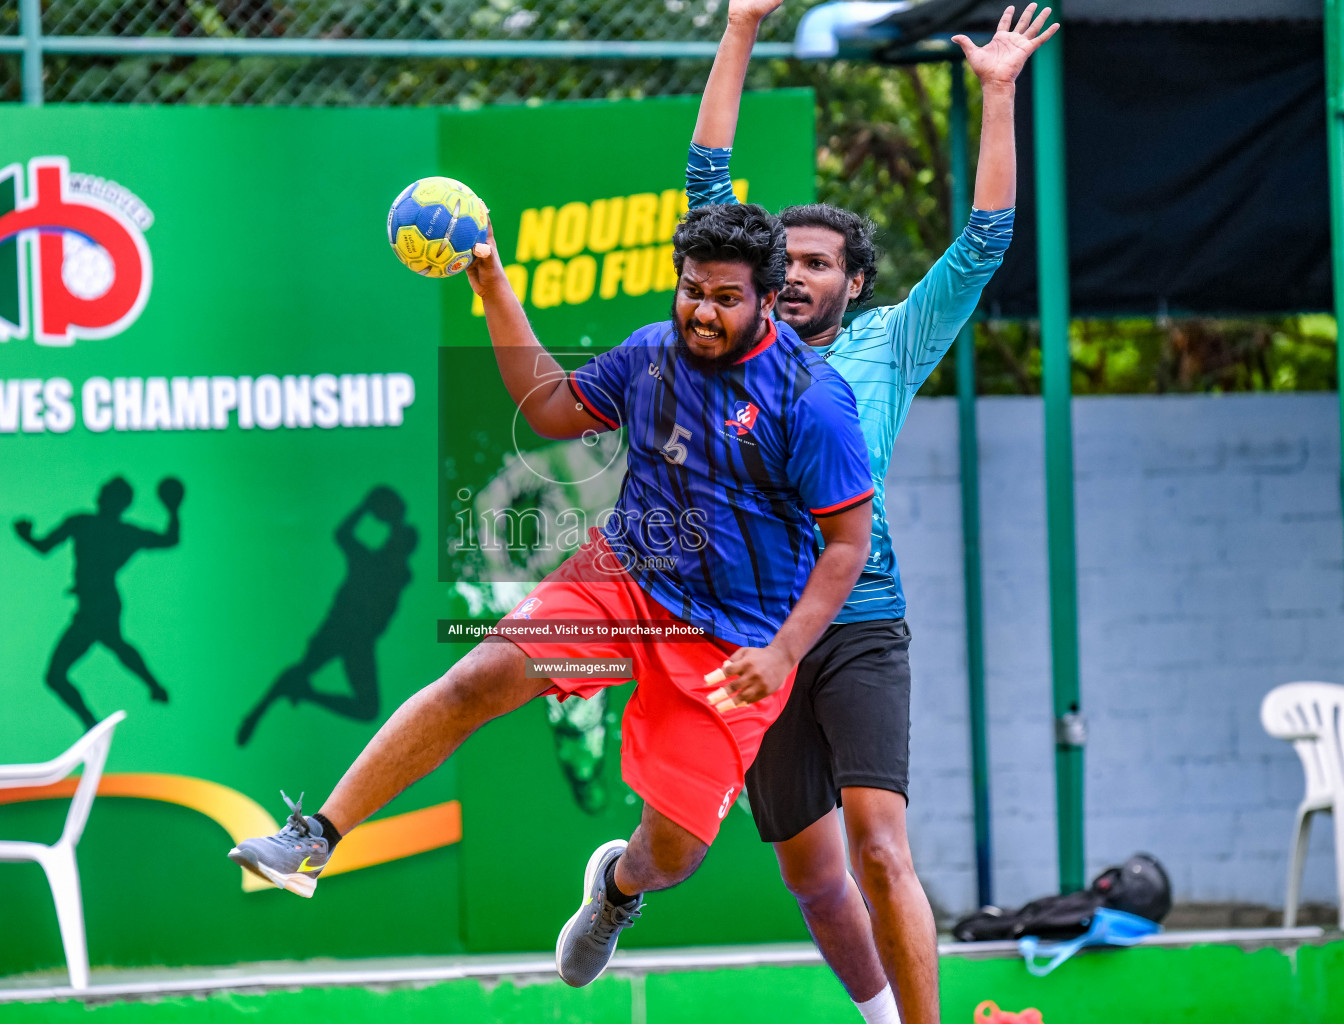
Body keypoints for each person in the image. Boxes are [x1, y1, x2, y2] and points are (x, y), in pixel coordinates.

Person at [228, 202, 875, 989]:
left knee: (672, 853)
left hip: (732, 641)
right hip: (625, 577)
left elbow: (847, 546)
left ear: (768, 302)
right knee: (479, 677)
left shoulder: (812, 401)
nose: (702, 311)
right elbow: (549, 406)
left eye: (725, 298)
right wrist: (493, 281)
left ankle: (615, 891)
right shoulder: (653, 354)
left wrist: (784, 651)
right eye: (691, 289)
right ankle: (316, 835)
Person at [686, 4, 1056, 1022]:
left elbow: (983, 243)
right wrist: (741, 28)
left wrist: (996, 95)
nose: (794, 274)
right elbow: (707, 180)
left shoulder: (889, 344)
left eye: (816, 264)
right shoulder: (734, 342)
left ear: (853, 284)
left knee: (881, 842)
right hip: (753, 629)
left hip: (860, 618)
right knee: (811, 875)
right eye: (783, 263)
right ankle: (883, 1014)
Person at [238, 485, 417, 745]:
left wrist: (385, 515)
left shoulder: (399, 573)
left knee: (367, 709)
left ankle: (296, 698)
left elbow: (391, 547)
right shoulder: (368, 560)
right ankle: (257, 712)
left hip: (360, 641)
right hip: (340, 629)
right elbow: (342, 534)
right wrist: (366, 508)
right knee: (302, 671)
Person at [15, 475, 184, 730]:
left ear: (116, 501)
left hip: (100, 605)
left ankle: (95, 720)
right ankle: (148, 690)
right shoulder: (93, 525)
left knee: (61, 672)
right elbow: (44, 546)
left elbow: (169, 540)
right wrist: (28, 537)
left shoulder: (109, 529)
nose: (99, 494)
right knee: (113, 645)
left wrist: (173, 509)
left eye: (106, 492)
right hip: (97, 604)